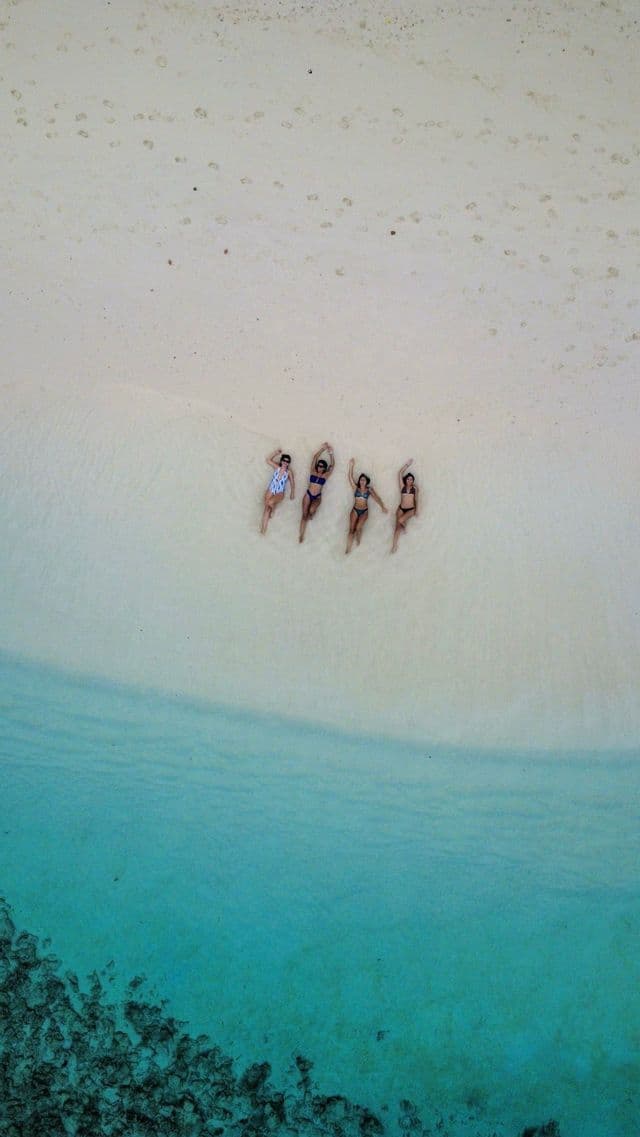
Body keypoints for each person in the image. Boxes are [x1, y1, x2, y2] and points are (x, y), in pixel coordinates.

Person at [346, 458, 387, 554]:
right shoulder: (355, 488)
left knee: (358, 528)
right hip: (355, 510)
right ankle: (348, 549)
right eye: (361, 480)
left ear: (366, 482)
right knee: (351, 529)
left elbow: (377, 498)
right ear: (359, 481)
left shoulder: (369, 490)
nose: (362, 481)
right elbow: (350, 478)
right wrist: (351, 466)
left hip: (364, 511)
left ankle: (358, 542)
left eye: (364, 480)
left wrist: (382, 507)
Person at [299, 442, 335, 543]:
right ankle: (301, 535)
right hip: (308, 494)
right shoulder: (313, 471)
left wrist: (331, 453)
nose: (320, 467)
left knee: (311, 510)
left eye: (322, 466)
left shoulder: (325, 475)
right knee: (304, 515)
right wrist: (322, 449)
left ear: (324, 468)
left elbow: (332, 465)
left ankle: (312, 514)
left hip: (317, 496)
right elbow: (315, 457)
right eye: (319, 465)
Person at [261, 450, 295, 534]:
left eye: (287, 461)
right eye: (284, 460)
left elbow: (292, 482)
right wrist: (276, 453)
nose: (285, 462)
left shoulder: (289, 472)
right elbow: (268, 460)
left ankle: (273, 508)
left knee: (270, 502)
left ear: (289, 463)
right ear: (281, 461)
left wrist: (292, 493)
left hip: (280, 491)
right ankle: (263, 529)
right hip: (271, 488)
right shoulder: (277, 467)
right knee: (266, 509)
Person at [391, 459, 419, 553]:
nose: (409, 480)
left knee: (400, 520)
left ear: (413, 481)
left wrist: (417, 510)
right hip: (401, 508)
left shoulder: (415, 488)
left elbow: (416, 500)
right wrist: (407, 464)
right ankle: (394, 546)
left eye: (411, 479)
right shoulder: (402, 487)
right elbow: (400, 473)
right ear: (405, 480)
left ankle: (405, 526)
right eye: (408, 479)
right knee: (397, 528)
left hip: (411, 509)